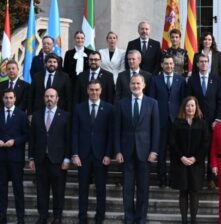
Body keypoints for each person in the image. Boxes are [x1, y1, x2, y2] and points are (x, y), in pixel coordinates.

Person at [114, 74, 160, 224]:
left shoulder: (152, 103)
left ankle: (141, 219)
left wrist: (154, 150)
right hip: (126, 153)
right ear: (129, 85)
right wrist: (118, 151)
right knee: (127, 189)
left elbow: (156, 129)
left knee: (143, 189)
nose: (135, 86)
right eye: (133, 83)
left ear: (144, 85)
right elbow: (117, 130)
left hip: (145, 153)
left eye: (138, 83)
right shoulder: (121, 104)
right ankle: (129, 218)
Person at [71, 80, 114, 224]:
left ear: (100, 91)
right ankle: (82, 217)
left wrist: (108, 154)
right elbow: (75, 132)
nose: (94, 92)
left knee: (101, 189)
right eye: (91, 90)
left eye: (96, 90)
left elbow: (111, 134)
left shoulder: (109, 108)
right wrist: (75, 154)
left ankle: (99, 217)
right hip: (83, 155)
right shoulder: (79, 108)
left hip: (101, 156)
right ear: (87, 91)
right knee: (82, 189)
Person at [28, 88, 71, 224]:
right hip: (41, 159)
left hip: (58, 160)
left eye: (52, 96)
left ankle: (57, 217)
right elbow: (32, 138)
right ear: (44, 98)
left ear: (57, 98)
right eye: (47, 96)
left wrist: (67, 158)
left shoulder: (65, 115)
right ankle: (43, 216)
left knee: (58, 190)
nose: (49, 99)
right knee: (42, 190)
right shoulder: (37, 115)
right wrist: (31, 158)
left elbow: (68, 139)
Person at [0, 89, 28, 224]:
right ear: (3, 99)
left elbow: (26, 135)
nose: (8, 100)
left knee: (18, 188)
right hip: (1, 157)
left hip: (16, 157)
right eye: (6, 98)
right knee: (2, 189)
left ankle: (20, 217)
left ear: (15, 99)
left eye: (11, 98)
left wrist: (15, 141)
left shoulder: (22, 115)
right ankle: (2, 216)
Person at [185, 54, 221, 188]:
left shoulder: (216, 80)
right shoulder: (192, 80)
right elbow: (188, 100)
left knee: (212, 150)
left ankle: (211, 179)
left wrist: (218, 119)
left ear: (209, 63)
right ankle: (198, 179)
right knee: (198, 150)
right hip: (197, 122)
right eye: (201, 62)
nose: (203, 64)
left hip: (213, 122)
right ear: (197, 64)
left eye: (206, 61)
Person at [169, 96, 209, 224]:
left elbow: (206, 143)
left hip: (196, 164)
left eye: (192, 105)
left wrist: (195, 157)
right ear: (183, 107)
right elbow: (172, 142)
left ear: (196, 107)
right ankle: (184, 221)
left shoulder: (202, 123)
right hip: (180, 163)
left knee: (194, 192)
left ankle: (193, 220)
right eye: (187, 105)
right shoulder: (177, 122)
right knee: (183, 192)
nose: (190, 108)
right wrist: (182, 157)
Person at [148, 54, 186, 187]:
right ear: (162, 65)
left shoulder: (180, 80)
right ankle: (162, 179)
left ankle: (174, 178)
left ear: (174, 65)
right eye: (166, 64)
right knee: (161, 151)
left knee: (176, 151)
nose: (169, 66)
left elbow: (183, 102)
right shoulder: (155, 80)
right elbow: (152, 101)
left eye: (171, 63)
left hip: (176, 121)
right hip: (160, 120)